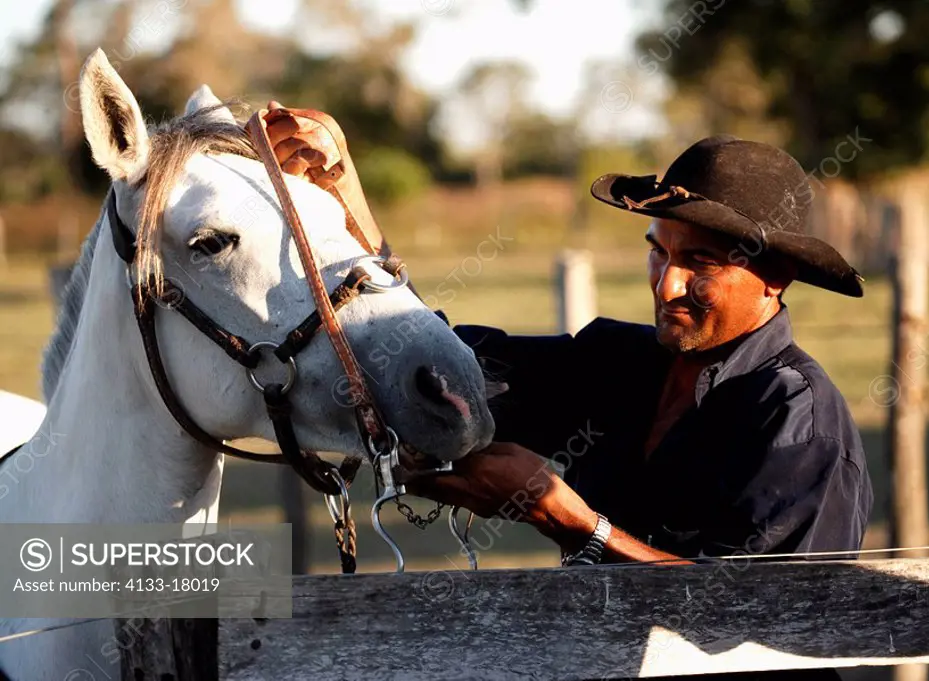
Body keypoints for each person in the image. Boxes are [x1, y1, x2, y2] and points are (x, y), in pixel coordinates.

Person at [268, 107, 873, 677]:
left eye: (702, 262)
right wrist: (348, 206)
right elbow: (443, 366)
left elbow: (751, 625)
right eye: (659, 252)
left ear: (775, 277)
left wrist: (573, 523)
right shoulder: (618, 361)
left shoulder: (800, 422)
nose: (667, 286)